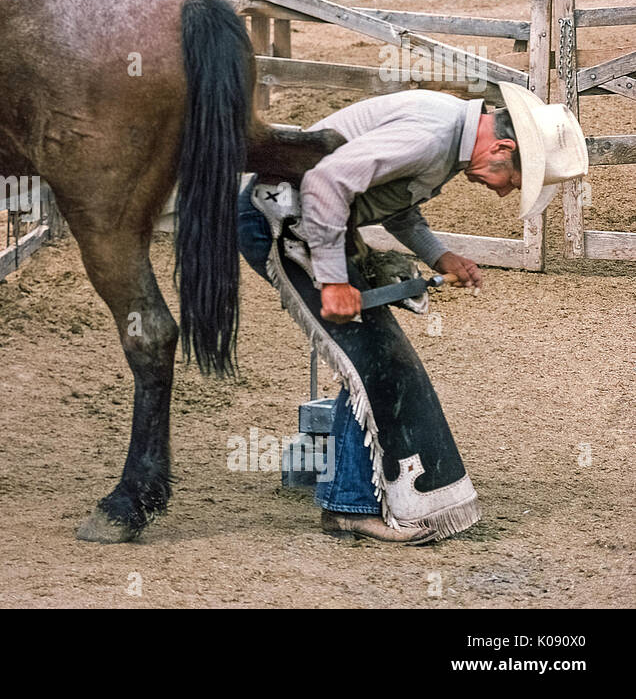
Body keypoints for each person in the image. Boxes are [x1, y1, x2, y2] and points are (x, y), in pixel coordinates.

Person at [238, 84, 588, 543]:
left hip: (313, 223)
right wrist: (334, 281)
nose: (504, 195)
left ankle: (350, 496)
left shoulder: (450, 142)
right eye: (514, 182)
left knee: (377, 360)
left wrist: (441, 257)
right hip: (280, 221)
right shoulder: (432, 136)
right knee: (372, 359)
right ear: (503, 148)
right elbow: (327, 182)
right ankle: (349, 506)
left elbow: (396, 208)